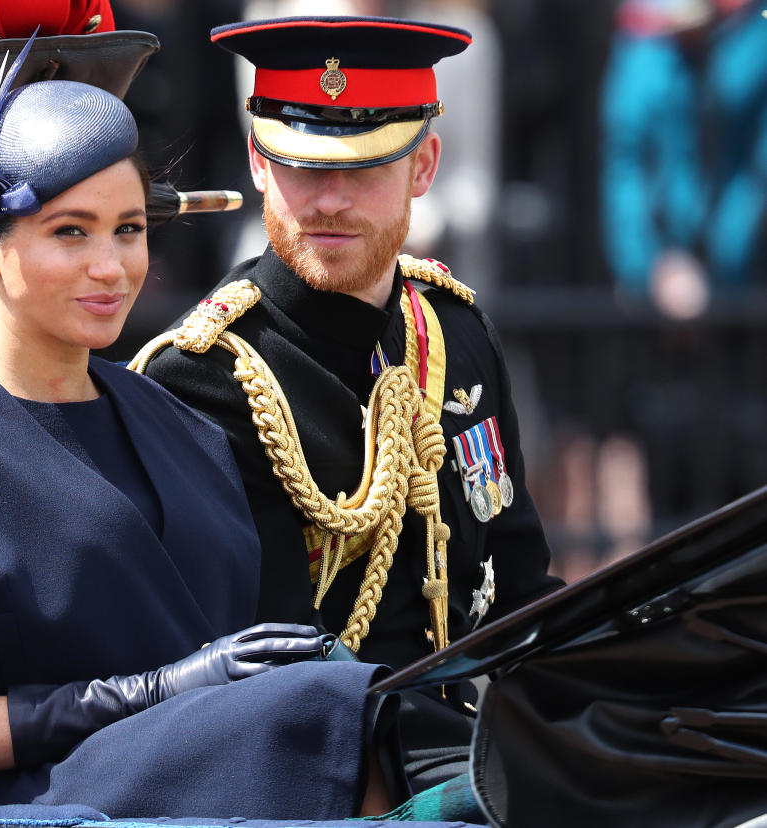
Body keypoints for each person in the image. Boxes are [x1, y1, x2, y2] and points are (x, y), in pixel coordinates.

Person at [0, 36, 411, 821]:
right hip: (33, 796)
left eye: (128, 230)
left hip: (202, 761)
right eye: (71, 232)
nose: (111, 266)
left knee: (397, 710)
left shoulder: (176, 424)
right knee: (326, 710)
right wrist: (150, 693)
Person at [136, 15, 565, 796]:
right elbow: (277, 673)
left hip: (457, 749)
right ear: (259, 162)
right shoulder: (202, 377)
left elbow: (524, 591)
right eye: (303, 165)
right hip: (311, 777)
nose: (330, 200)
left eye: (365, 169)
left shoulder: (457, 336)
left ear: (424, 165)